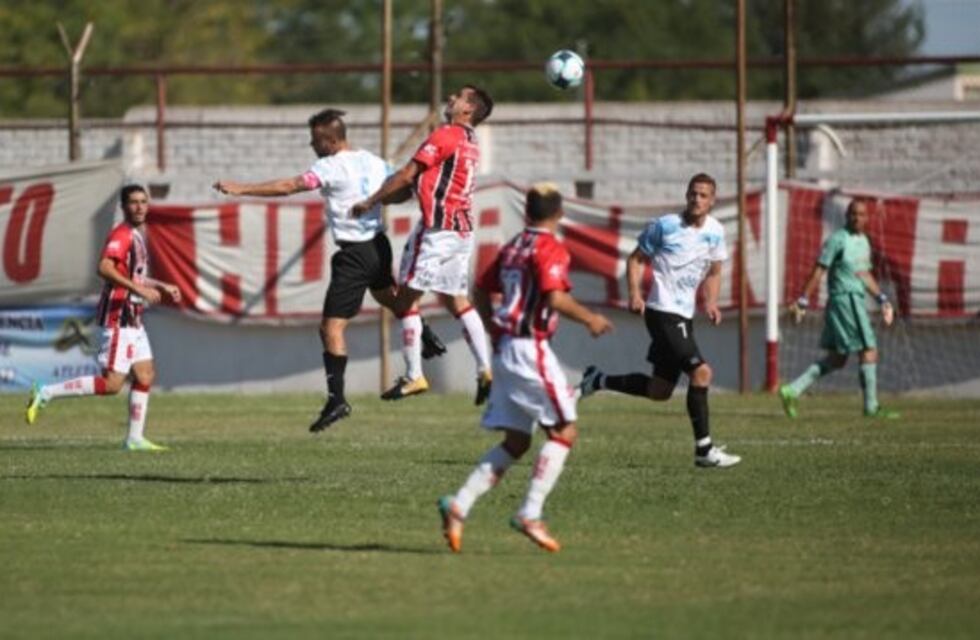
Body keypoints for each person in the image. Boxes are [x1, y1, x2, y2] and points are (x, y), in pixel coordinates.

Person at [213, 108, 446, 432]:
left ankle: (337, 399)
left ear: (330, 140)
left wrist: (242, 188)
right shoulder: (374, 161)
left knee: (330, 329)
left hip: (354, 254)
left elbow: (289, 186)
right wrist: (378, 199)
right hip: (379, 245)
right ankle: (425, 335)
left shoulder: (329, 166)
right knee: (388, 298)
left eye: (315, 140)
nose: (312, 146)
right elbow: (403, 190)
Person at [436, 184, 613, 554]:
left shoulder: (513, 245)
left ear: (527, 213)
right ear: (559, 213)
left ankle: (459, 504)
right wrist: (591, 319)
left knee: (517, 441)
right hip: (529, 349)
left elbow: (481, 288)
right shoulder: (549, 247)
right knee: (564, 431)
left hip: (505, 348)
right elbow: (555, 296)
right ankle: (530, 512)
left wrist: (490, 325)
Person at [578, 173, 741, 468]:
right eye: (693, 193)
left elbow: (715, 271)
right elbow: (636, 259)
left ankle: (597, 380)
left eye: (703, 195)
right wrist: (635, 294)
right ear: (686, 194)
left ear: (712, 201)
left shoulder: (716, 231)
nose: (696, 199)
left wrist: (712, 301)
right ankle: (704, 450)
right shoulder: (665, 226)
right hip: (661, 311)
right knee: (701, 373)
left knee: (660, 391)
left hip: (684, 315)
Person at [351, 85, 494, 405]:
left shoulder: (447, 134)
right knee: (457, 302)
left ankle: (414, 374)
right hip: (462, 231)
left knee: (403, 302)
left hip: (438, 231)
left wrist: (371, 200)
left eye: (458, 97)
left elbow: (406, 174)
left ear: (468, 110)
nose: (450, 99)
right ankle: (485, 369)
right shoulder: (472, 142)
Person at [25, 185, 182, 451]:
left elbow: (133, 276)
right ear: (124, 207)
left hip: (133, 318)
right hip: (118, 318)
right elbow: (105, 268)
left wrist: (161, 285)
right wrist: (139, 290)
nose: (140, 207)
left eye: (144, 202)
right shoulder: (121, 235)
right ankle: (46, 392)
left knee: (145, 375)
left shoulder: (137, 235)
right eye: (133, 202)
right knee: (112, 385)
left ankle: (134, 438)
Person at [779, 199, 899, 419]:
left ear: (867, 217)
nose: (857, 218)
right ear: (847, 216)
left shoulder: (863, 241)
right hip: (845, 300)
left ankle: (792, 389)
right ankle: (871, 407)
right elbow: (819, 270)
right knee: (869, 350)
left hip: (854, 300)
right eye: (853, 214)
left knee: (838, 358)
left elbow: (864, 274)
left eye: (861, 214)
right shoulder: (837, 239)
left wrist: (882, 298)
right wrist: (804, 299)